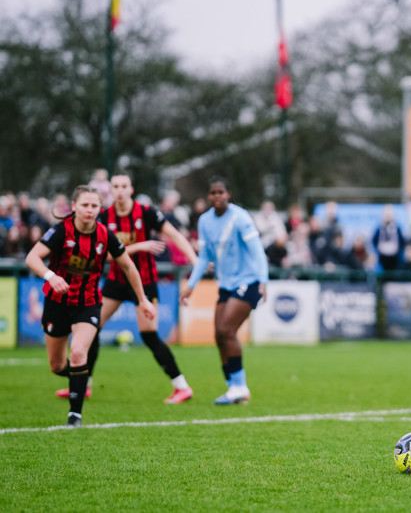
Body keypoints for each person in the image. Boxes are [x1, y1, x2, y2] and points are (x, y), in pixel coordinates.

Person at [53, 174, 199, 403]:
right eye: (115, 187)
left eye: (124, 186)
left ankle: (181, 386)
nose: (120, 191)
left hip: (145, 281)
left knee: (149, 335)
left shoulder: (146, 212)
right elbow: (107, 255)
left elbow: (174, 235)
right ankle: (85, 385)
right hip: (116, 282)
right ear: (110, 190)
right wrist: (139, 246)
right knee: (92, 328)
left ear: (131, 189)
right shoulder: (104, 216)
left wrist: (195, 261)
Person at [25, 185, 156, 427]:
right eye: (84, 205)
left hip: (88, 303)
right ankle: (80, 378)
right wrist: (50, 276)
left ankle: (75, 415)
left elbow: (128, 266)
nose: (89, 210)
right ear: (74, 207)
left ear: (100, 208)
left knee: (78, 352)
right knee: (56, 366)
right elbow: (32, 258)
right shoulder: (60, 231)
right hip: (57, 304)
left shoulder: (106, 235)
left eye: (94, 206)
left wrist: (143, 299)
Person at [180, 177, 269, 405]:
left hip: (248, 282)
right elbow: (204, 257)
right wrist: (191, 285)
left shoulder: (241, 218)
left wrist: (263, 280)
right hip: (226, 284)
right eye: (213, 193)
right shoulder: (205, 221)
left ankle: (240, 387)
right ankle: (233, 387)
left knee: (226, 329)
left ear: (228, 194)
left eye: (221, 192)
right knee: (219, 335)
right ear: (209, 196)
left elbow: (257, 250)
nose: (217, 196)